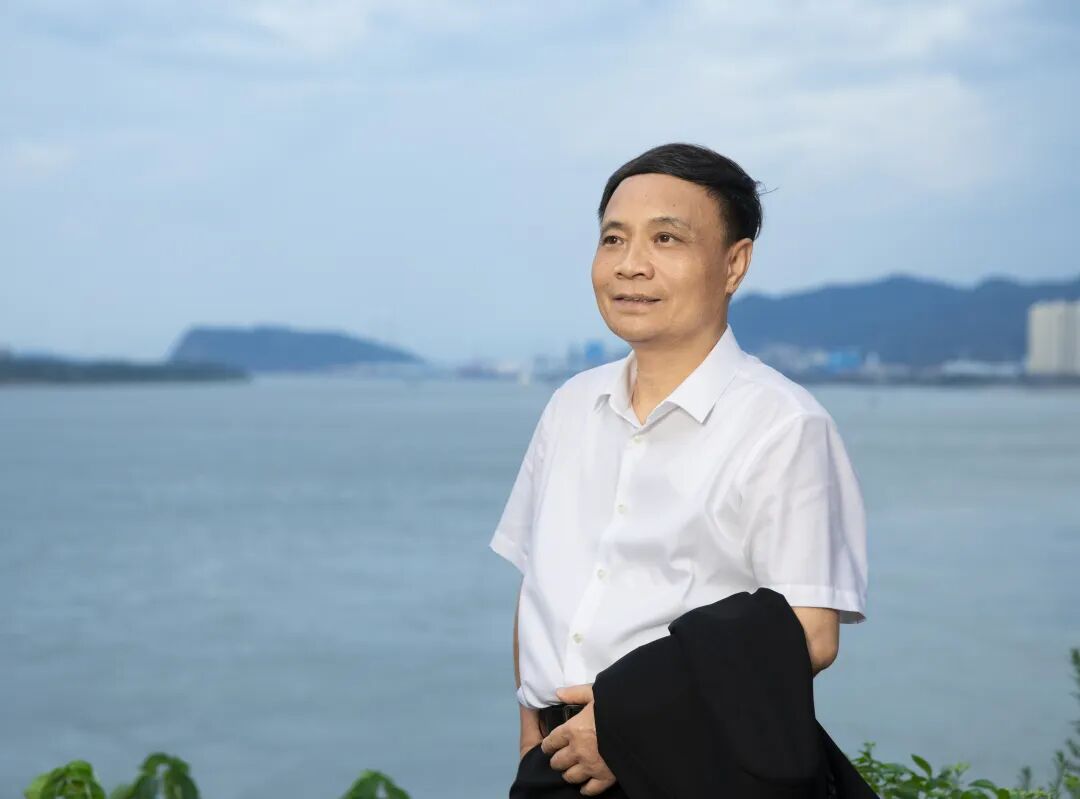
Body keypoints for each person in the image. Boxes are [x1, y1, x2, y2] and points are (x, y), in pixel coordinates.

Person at [489, 142, 869, 797]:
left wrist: (631, 727)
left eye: (666, 238)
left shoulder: (783, 424)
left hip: (690, 764)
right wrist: (531, 736)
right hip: (560, 762)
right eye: (613, 238)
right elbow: (540, 585)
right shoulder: (570, 405)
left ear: (734, 263)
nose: (630, 264)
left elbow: (810, 633)